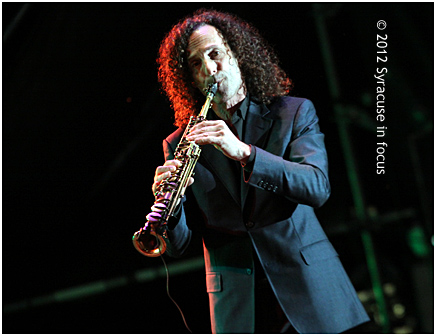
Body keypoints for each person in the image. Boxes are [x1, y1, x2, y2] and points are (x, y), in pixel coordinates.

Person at [152, 8, 369, 334]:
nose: (209, 69)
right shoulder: (179, 142)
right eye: (196, 64)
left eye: (215, 54)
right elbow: (179, 245)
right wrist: (169, 207)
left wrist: (246, 153)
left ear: (238, 55)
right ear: (190, 79)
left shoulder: (293, 113)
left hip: (309, 290)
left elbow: (317, 187)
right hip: (240, 307)